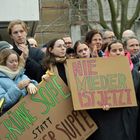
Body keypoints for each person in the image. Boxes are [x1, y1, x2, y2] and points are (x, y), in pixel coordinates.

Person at [87, 40, 140, 140]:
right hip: (107, 118)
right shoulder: (99, 72)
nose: (118, 52)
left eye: (120, 50)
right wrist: (100, 103)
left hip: (128, 118)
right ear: (108, 53)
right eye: (114, 50)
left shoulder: (134, 73)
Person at [0, 48, 38, 115]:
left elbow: (35, 86)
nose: (15, 64)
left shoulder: (21, 75)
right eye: (11, 62)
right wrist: (17, 88)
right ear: (3, 63)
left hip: (30, 112)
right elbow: (2, 103)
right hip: (13, 119)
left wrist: (31, 84)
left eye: (16, 61)